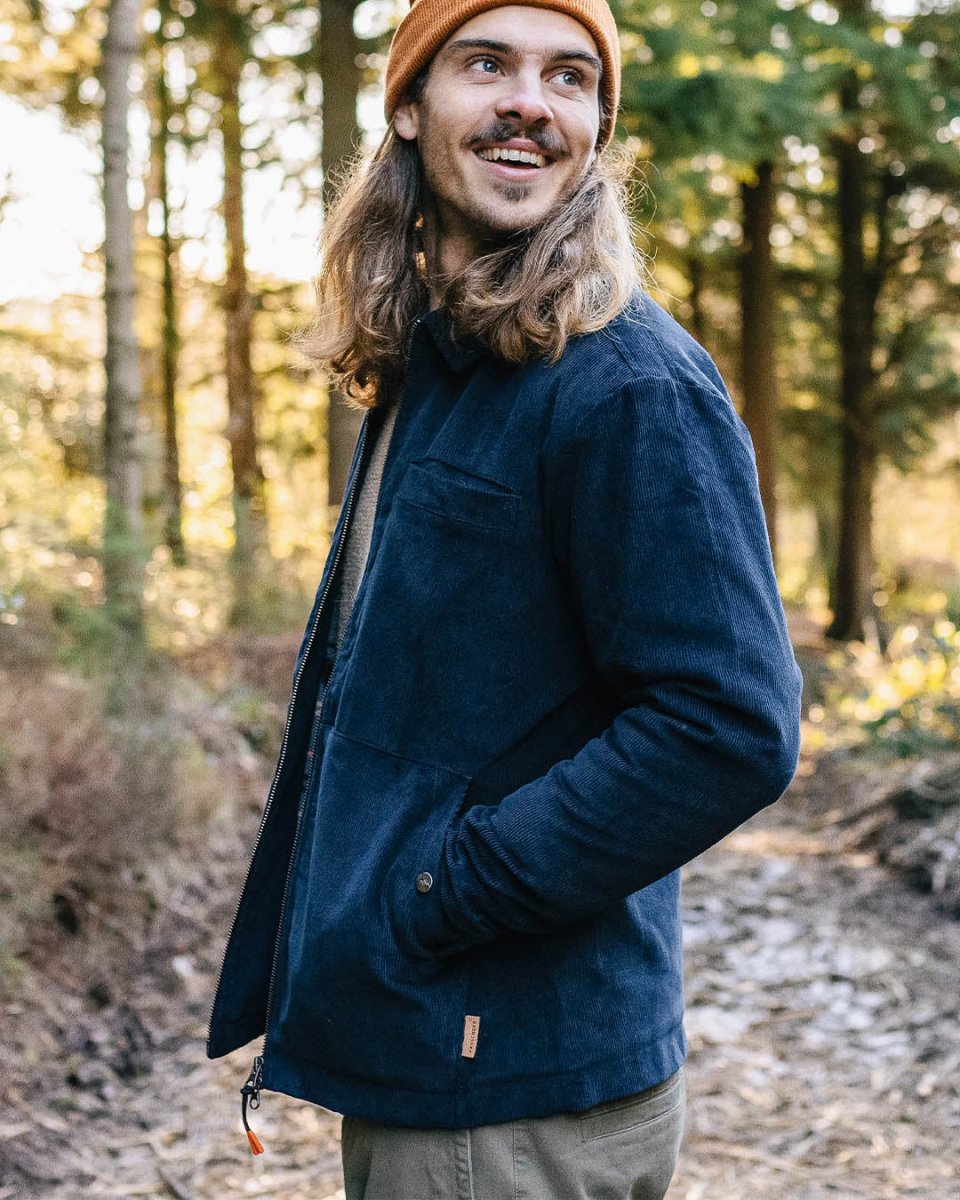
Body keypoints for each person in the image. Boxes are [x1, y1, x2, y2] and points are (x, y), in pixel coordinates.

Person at [207, 0, 803, 1195]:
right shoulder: (443, 360)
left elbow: (728, 724)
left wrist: (437, 893)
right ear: (409, 105)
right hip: (445, 1052)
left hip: (509, 1082)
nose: (532, 103)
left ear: (597, 129)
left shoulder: (627, 384)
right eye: (488, 64)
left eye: (570, 77)